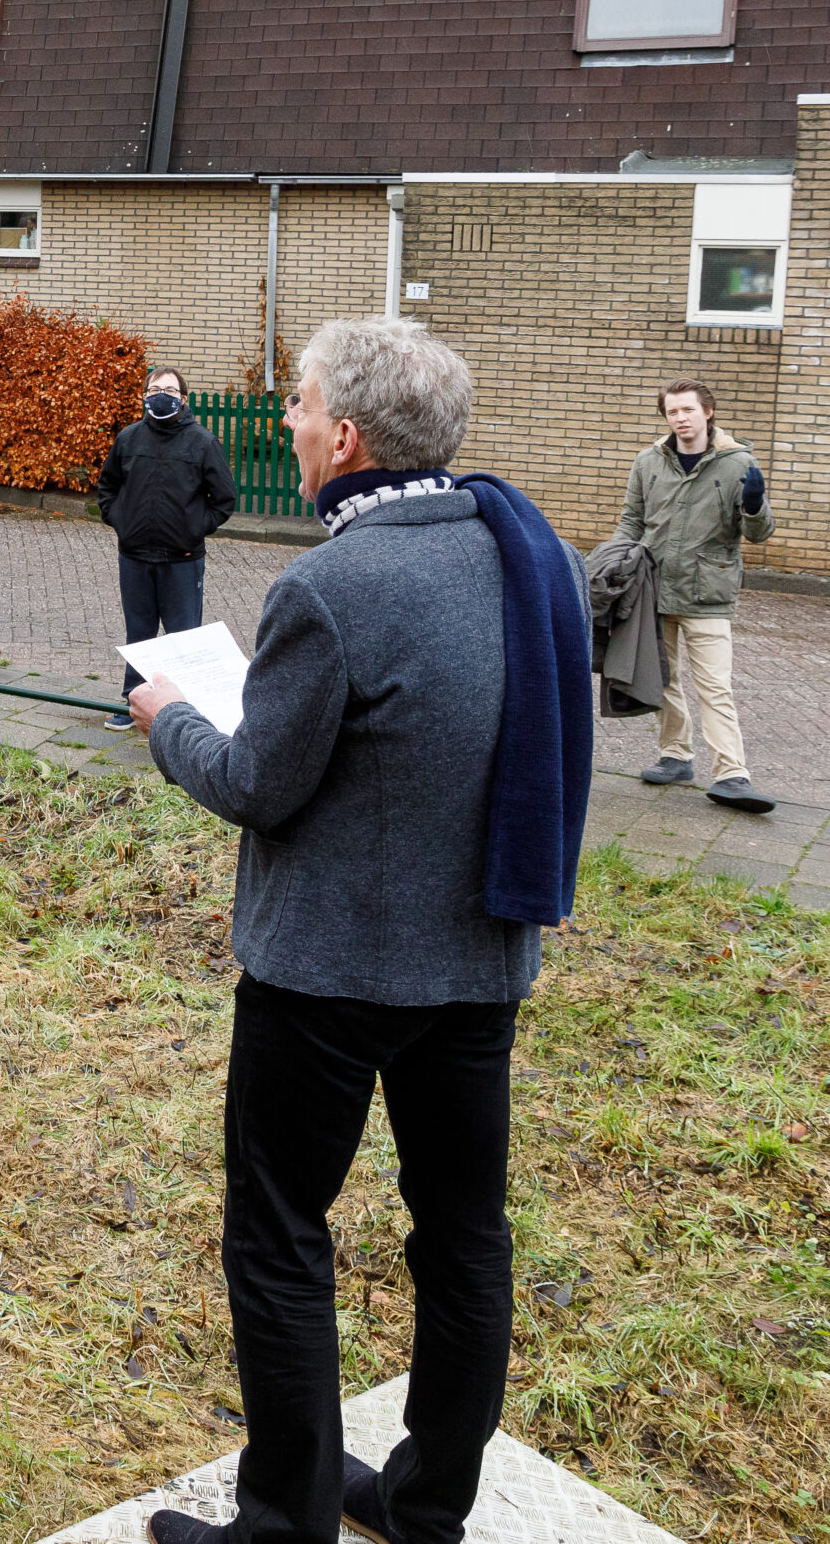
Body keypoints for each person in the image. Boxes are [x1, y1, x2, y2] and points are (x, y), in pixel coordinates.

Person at [129, 317, 592, 1544]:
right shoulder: (524, 550)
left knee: (280, 1240)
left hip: (323, 982)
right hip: (476, 967)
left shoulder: (331, 584)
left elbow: (255, 785)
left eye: (294, 403)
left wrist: (170, 714)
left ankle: (282, 1527)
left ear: (343, 438)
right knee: (462, 1239)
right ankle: (425, 1507)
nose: (282, 421)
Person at [612, 380, 776, 812]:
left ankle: (731, 774)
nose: (680, 418)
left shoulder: (738, 462)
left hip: (708, 593)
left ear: (708, 412)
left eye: (687, 409)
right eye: (672, 412)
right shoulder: (648, 462)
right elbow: (632, 522)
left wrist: (756, 506)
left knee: (715, 686)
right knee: (662, 679)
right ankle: (675, 756)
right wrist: (608, 565)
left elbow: (757, 535)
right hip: (654, 587)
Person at [95, 365, 237, 731]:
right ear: (144, 395)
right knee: (138, 635)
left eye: (170, 390)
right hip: (135, 556)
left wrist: (192, 529)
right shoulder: (128, 439)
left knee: (183, 639)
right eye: (155, 388)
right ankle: (132, 702)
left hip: (183, 560)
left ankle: (182, 713)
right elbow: (107, 487)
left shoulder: (203, 443)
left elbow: (224, 499)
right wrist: (121, 522)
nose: (162, 395)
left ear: (183, 399)